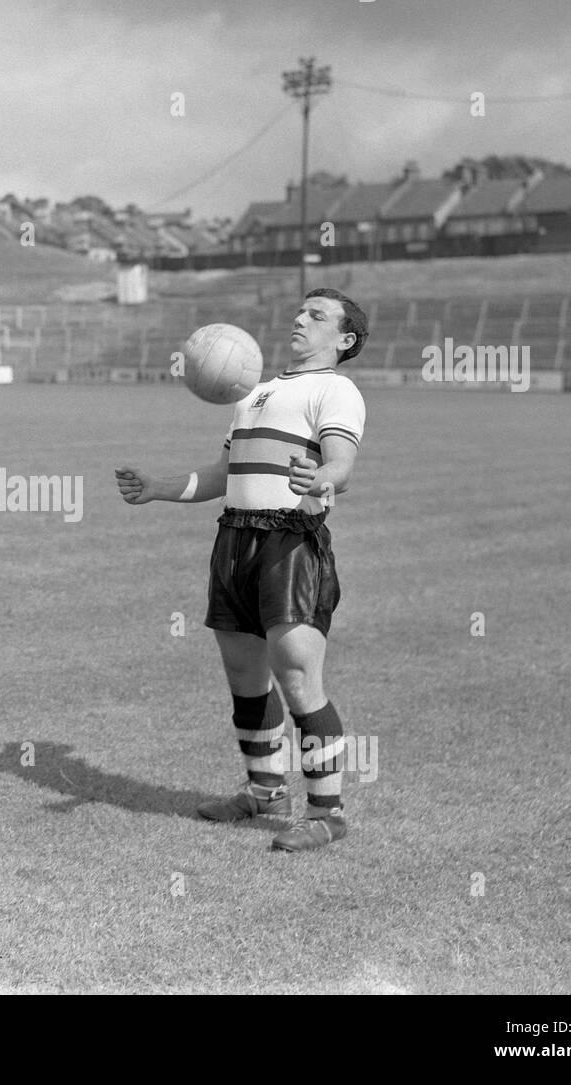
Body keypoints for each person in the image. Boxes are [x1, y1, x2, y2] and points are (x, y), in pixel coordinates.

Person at [115, 288, 368, 852]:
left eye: (317, 315)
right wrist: (159, 487)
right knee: (245, 679)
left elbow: (342, 460)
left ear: (344, 339)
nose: (300, 318)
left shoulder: (336, 389)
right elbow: (223, 473)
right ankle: (264, 790)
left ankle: (327, 813)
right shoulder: (254, 391)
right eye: (301, 309)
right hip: (235, 538)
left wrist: (325, 478)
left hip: (289, 542)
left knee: (299, 678)